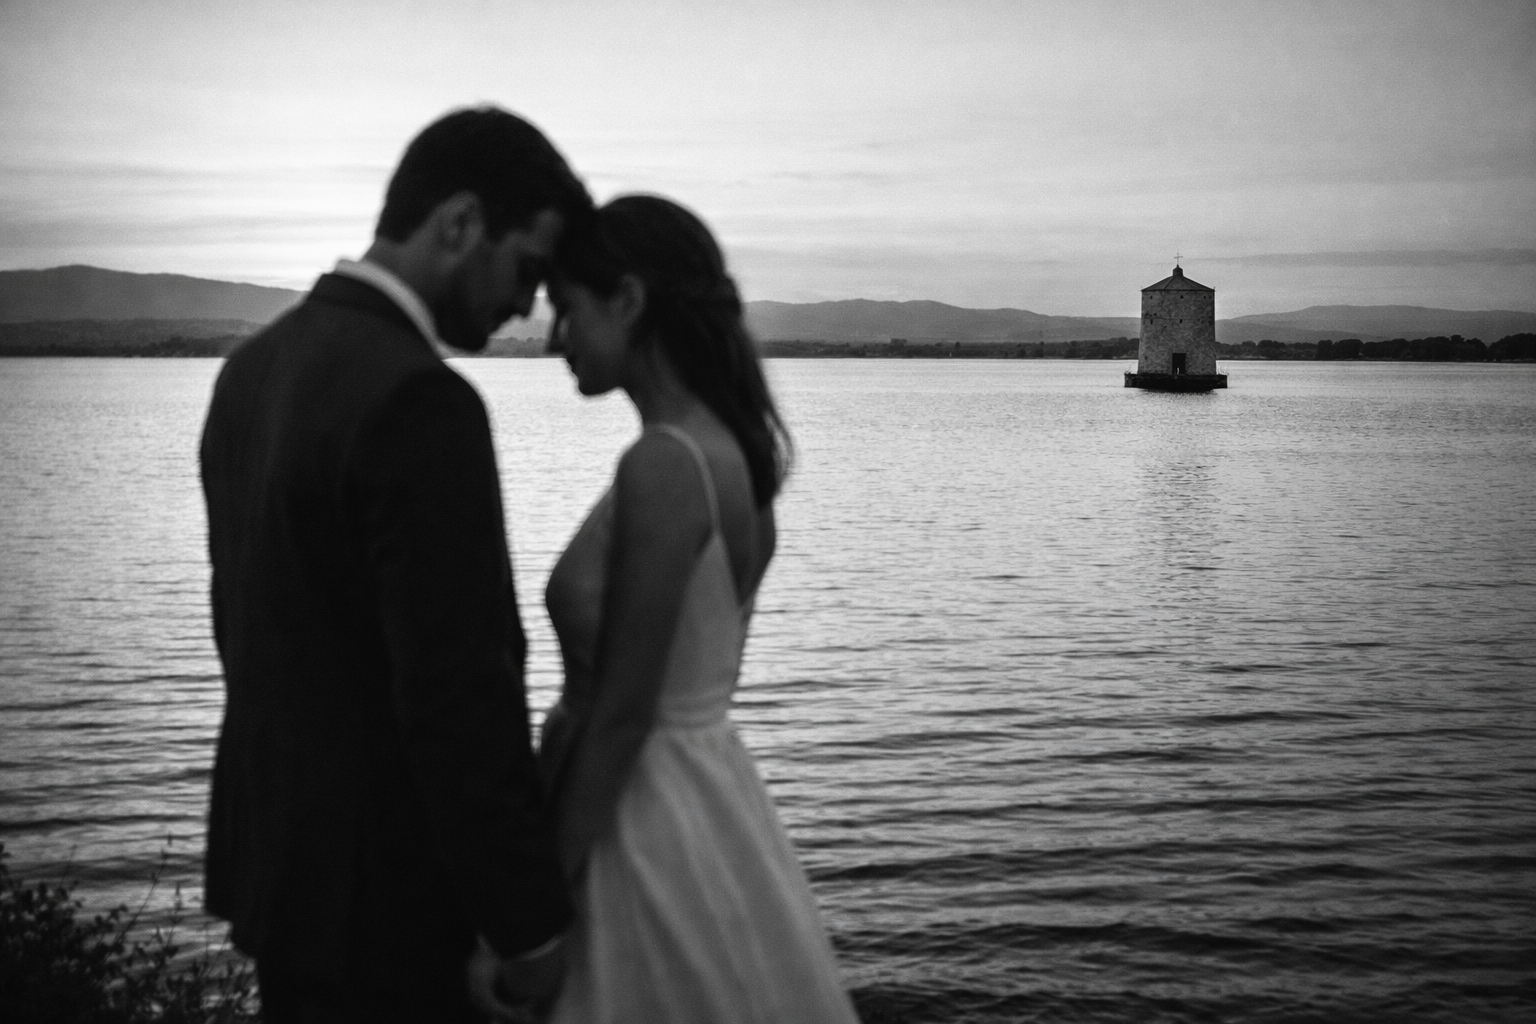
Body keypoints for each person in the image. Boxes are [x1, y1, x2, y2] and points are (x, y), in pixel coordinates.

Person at [198, 107, 590, 1023]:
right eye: (527, 268)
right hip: (396, 911)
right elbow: (458, 694)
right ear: (458, 224)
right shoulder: (421, 401)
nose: (528, 306)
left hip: (287, 884)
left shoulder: (251, 370)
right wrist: (530, 930)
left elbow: (250, 635)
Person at [539, 194, 860, 1023]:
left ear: (629, 300)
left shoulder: (665, 465)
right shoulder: (734, 458)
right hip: (707, 803)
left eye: (567, 310)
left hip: (635, 821)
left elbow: (621, 715)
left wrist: (536, 921)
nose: (555, 339)